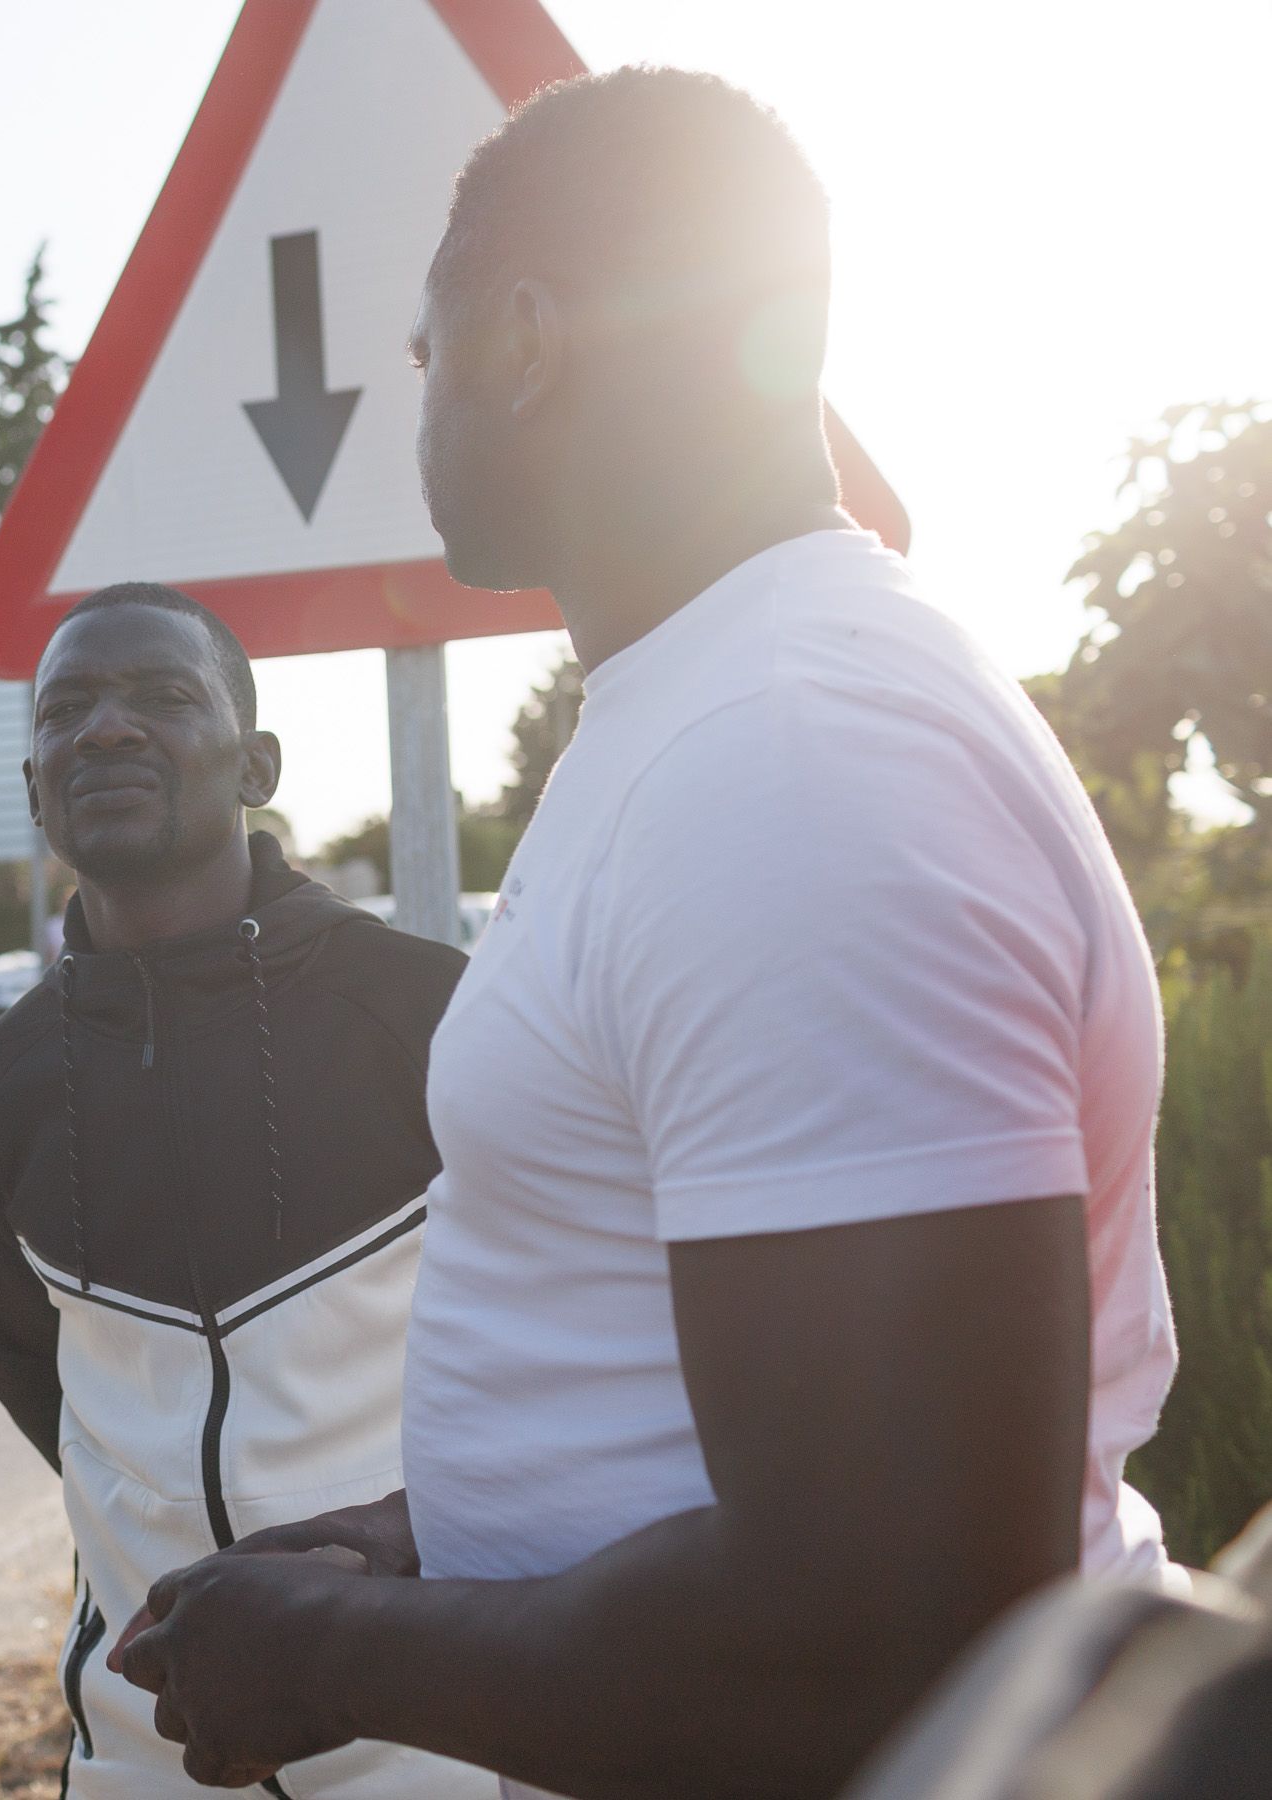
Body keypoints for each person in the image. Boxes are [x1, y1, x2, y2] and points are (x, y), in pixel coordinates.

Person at [111, 68, 1176, 1800]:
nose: (421, 403)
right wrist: (424, 1539)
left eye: (424, 353)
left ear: (525, 338)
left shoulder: (791, 763)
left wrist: (324, 1654)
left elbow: (887, 1636)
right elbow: (726, 1431)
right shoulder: (714, 714)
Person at [0, 585, 485, 1799]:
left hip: (437, 1739)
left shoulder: (431, 1010)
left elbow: (567, 1341)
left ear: (257, 766)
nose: (108, 730)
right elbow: (24, 1357)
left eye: (163, 697)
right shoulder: (2, 1083)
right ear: (35, 787)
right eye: (67, 709)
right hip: (141, 1756)